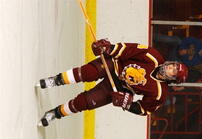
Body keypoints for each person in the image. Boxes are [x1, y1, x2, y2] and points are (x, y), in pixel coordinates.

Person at [38, 39, 188, 127]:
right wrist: (108, 48)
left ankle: (55, 113)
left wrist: (127, 104)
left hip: (118, 88)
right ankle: (55, 80)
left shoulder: (159, 93)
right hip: (113, 65)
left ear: (172, 79)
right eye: (173, 65)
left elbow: (144, 110)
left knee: (85, 102)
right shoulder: (153, 56)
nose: (170, 68)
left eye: (174, 71)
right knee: (86, 73)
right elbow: (128, 50)